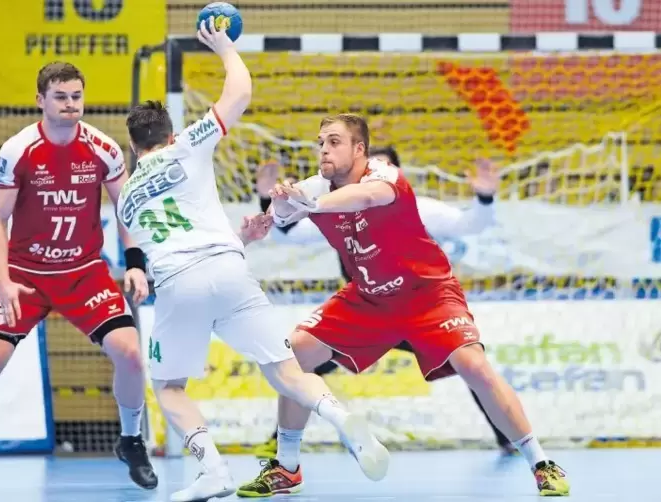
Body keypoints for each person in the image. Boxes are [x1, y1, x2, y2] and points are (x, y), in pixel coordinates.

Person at [115, 20, 388, 502]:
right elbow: (240, 91)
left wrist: (238, 235)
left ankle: (213, 472)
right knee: (285, 372)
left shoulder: (125, 197)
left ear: (134, 146)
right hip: (230, 270)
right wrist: (223, 47)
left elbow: (173, 235)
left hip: (180, 282)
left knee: (171, 387)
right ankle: (342, 419)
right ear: (169, 131)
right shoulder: (185, 148)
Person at [236, 113, 570, 498]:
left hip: (426, 296)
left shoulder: (385, 176)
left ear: (359, 150)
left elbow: (363, 197)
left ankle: (541, 462)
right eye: (321, 142)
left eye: (334, 142)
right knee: (292, 356)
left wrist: (308, 201)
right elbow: (283, 222)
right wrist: (275, 205)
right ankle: (287, 468)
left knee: (473, 365)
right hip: (368, 299)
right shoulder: (315, 186)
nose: (324, 149)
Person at [0, 62, 158, 491]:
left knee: (131, 353)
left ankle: (131, 439)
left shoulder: (103, 149)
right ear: (41, 100)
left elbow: (127, 211)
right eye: (61, 96)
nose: (70, 104)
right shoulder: (17, 150)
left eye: (76, 96)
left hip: (84, 272)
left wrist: (135, 261)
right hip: (26, 275)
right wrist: (3, 281)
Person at [252, 147, 516, 457]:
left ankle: (507, 437)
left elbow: (470, 225)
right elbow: (289, 233)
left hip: (419, 316)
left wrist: (484, 198)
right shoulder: (341, 211)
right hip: (366, 316)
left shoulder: (419, 208)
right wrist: (267, 201)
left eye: (384, 169)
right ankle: (282, 444)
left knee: (470, 366)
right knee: (306, 365)